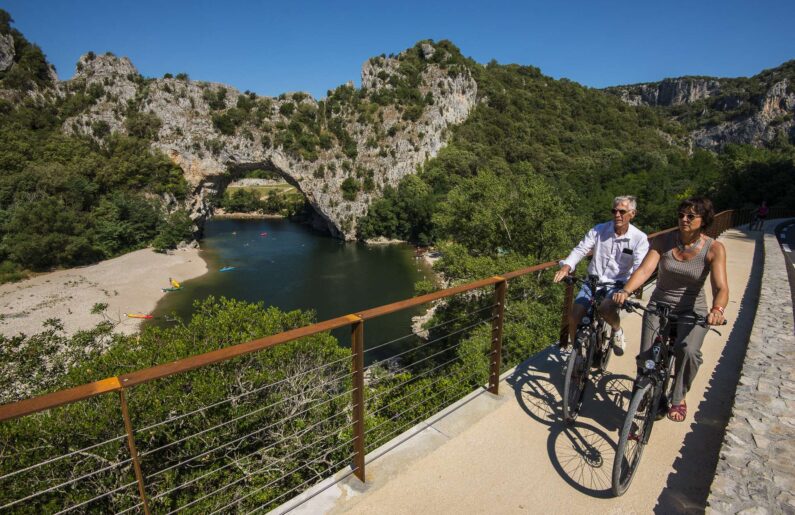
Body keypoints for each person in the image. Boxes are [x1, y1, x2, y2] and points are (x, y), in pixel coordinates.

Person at [612, 197, 728, 422]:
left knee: (688, 351)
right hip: (659, 304)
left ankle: (678, 397)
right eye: (681, 215)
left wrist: (718, 309)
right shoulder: (664, 241)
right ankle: (646, 389)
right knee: (646, 356)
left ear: (703, 221)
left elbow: (721, 287)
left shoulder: (714, 248)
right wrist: (626, 291)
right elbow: (645, 271)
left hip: (692, 311)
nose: (684, 219)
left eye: (691, 216)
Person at [554, 196, 649, 355]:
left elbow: (639, 268)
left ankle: (617, 330)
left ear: (632, 214)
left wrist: (628, 290)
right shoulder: (599, 230)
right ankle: (575, 353)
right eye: (614, 211)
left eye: (622, 211)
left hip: (618, 285)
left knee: (605, 308)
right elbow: (581, 249)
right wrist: (567, 267)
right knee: (574, 316)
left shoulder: (639, 238)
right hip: (593, 281)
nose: (617, 215)